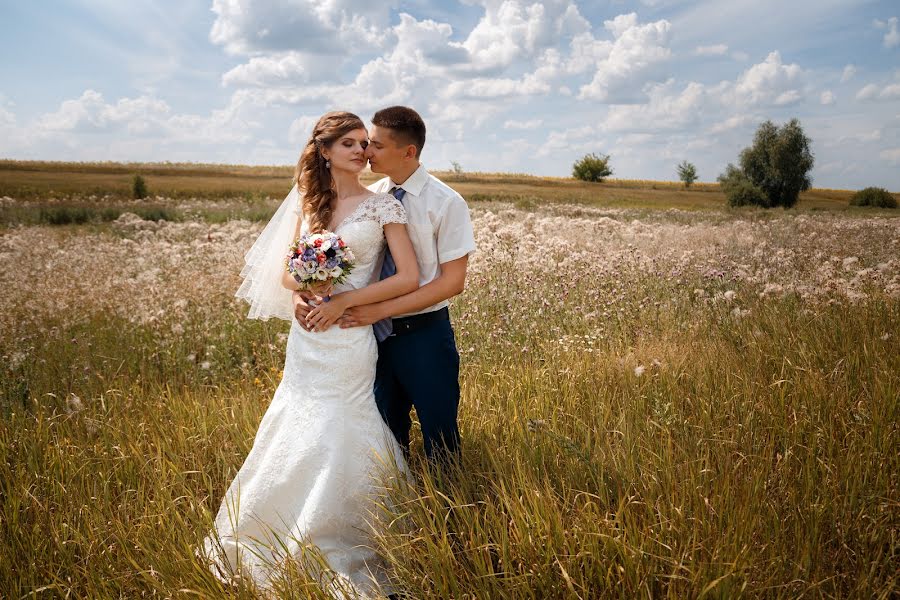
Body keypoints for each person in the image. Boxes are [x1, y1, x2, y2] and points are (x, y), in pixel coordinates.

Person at [200, 111, 420, 597]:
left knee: (346, 418)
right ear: (324, 151)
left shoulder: (384, 208)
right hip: (307, 337)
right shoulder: (310, 203)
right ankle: (272, 524)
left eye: (366, 143)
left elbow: (406, 277)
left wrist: (344, 300)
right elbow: (286, 275)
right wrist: (302, 296)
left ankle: (350, 530)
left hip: (347, 335)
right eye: (350, 144)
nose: (363, 151)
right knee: (295, 413)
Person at [293, 106, 477, 465]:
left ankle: (451, 509)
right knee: (382, 434)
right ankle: (393, 501)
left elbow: (453, 282)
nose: (366, 152)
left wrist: (376, 310)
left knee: (440, 434)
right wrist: (304, 291)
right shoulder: (372, 195)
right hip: (367, 337)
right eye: (363, 143)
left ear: (408, 152)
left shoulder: (447, 202)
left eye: (374, 145)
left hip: (422, 333)